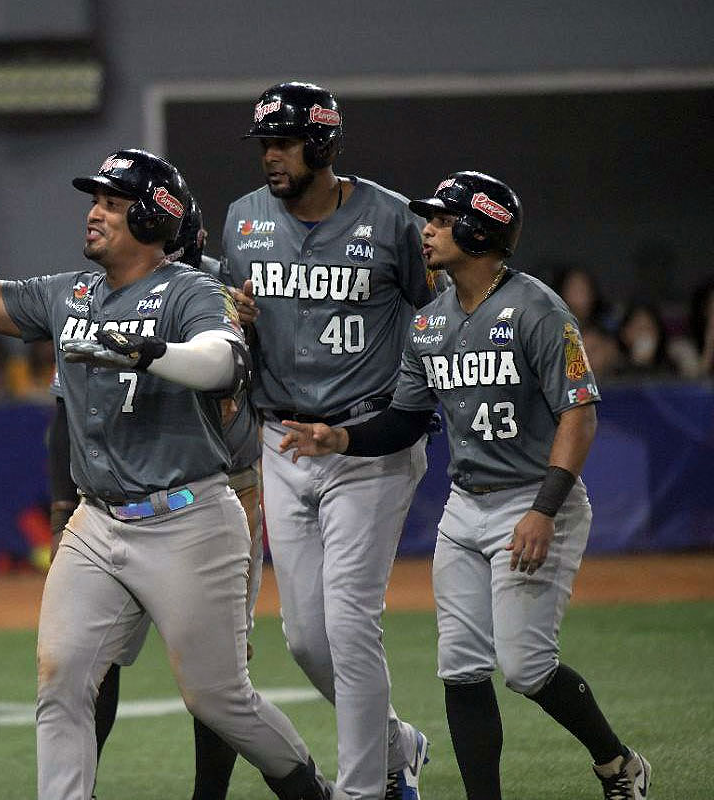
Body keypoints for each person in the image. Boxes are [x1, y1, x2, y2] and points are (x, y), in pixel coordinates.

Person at [0, 123, 342, 800]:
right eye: (97, 199)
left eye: (111, 201)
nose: (94, 210)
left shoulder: (190, 291)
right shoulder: (72, 294)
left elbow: (223, 358)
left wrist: (152, 354)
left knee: (218, 700)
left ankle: (308, 787)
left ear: (152, 215)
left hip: (189, 520)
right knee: (62, 679)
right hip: (97, 522)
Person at [277, 171, 652, 800]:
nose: (426, 230)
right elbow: (404, 420)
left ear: (479, 229)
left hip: (533, 499)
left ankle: (618, 763)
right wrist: (340, 438)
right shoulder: (428, 324)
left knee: (526, 667)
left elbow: (580, 414)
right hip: (465, 504)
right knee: (460, 669)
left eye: (441, 220)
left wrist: (543, 511)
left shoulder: (536, 308)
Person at [220, 81, 431, 800]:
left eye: (282, 143)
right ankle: (397, 743)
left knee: (348, 622)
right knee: (306, 638)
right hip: (282, 439)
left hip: (365, 441)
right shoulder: (243, 220)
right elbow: (227, 326)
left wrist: (416, 405)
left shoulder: (394, 219)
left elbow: (437, 317)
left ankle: (365, 789)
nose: (270, 157)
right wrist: (231, 314)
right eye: (265, 145)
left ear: (321, 143)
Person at [43, 196, 266, 800]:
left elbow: (266, 371)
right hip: (114, 502)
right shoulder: (100, 294)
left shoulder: (218, 290)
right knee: (92, 660)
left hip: (220, 487)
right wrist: (66, 503)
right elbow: (68, 404)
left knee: (219, 674)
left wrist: (257, 327)